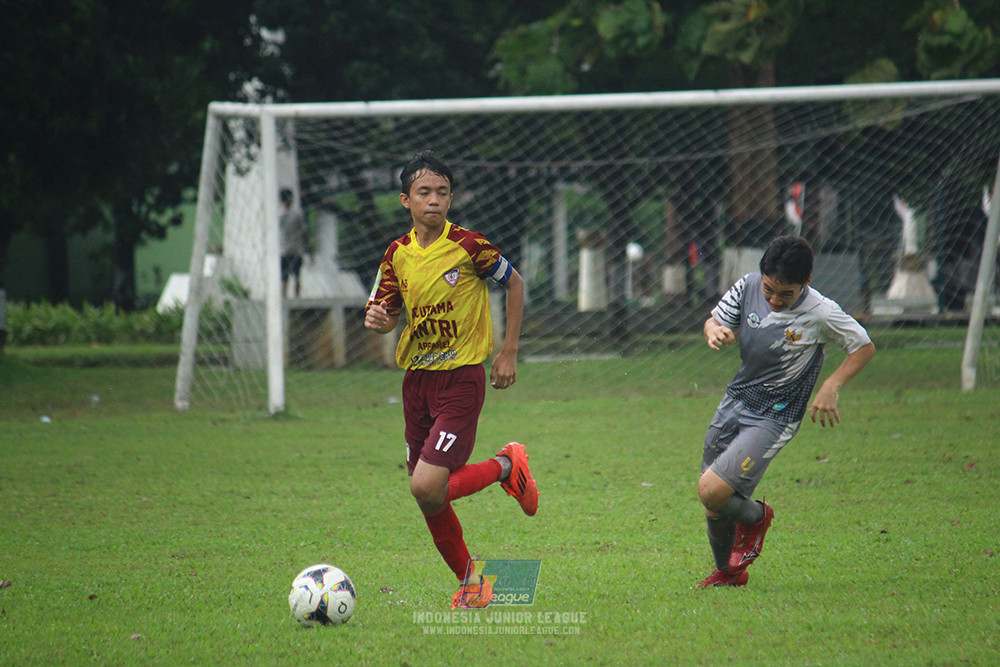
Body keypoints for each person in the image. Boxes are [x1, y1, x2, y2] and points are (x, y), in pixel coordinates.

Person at [364, 150, 538, 609]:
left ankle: (506, 466)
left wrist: (508, 351)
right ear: (406, 200)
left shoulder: (469, 246)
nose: (434, 200)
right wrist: (379, 319)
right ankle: (474, 583)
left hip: (461, 378)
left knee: (425, 486)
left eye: (442, 192)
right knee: (428, 497)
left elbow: (515, 283)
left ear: (451, 198)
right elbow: (382, 314)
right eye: (424, 192)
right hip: (416, 383)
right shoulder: (396, 255)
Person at [695, 235, 875, 588]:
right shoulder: (747, 285)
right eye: (769, 291)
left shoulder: (821, 311)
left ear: (805, 283)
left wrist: (831, 385)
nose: (775, 300)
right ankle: (729, 574)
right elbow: (714, 320)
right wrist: (714, 331)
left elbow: (863, 347)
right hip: (735, 401)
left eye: (786, 295)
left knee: (712, 490)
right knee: (715, 504)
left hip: (775, 416)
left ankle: (758, 518)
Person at [279, 188, 311, 298]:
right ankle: (296, 297)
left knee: (284, 277)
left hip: (284, 250)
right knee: (297, 276)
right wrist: (309, 247)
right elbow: (304, 233)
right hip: (296, 250)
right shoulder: (298, 215)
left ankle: (283, 298)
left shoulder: (279, 216)